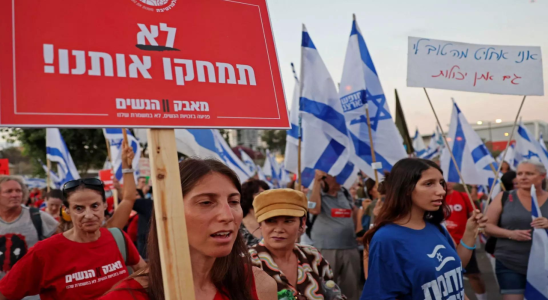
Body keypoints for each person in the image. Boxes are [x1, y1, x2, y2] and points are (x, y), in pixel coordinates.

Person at [100, 158, 277, 300]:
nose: (228, 215)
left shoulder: (257, 284)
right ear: (169, 210)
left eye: (233, 202)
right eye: (206, 202)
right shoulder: (126, 295)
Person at [0, 175, 147, 299]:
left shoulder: (118, 237)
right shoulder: (44, 252)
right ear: (66, 210)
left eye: (94, 206)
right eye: (79, 208)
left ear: (104, 206)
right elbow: (6, 292)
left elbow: (145, 275)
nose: (89, 215)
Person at [360, 158, 487, 300]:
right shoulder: (386, 238)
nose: (441, 191)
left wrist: (470, 232)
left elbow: (452, 270)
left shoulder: (436, 227)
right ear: (406, 188)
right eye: (429, 184)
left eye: (441, 183)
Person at [249, 188, 346, 300]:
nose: (279, 229)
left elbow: (333, 295)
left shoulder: (313, 256)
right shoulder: (248, 263)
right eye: (270, 221)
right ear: (260, 223)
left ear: (302, 223)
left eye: (288, 221)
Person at [485, 160, 548, 300]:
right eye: (520, 173)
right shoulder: (504, 197)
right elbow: (486, 226)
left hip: (544, 265)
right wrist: (510, 234)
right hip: (510, 262)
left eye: (529, 173)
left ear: (542, 176)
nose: (523, 177)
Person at [0, 176, 59, 300]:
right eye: (9, 191)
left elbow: (62, 247)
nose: (15, 195)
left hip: (32, 293)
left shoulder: (38, 217)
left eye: (18, 190)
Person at [308, 170, 360, 300]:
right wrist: (316, 182)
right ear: (326, 178)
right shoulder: (314, 193)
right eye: (336, 176)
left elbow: (352, 213)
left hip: (350, 246)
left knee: (352, 288)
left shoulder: (345, 192)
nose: (340, 178)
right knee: (326, 287)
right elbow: (313, 209)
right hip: (327, 248)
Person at [444, 182, 488, 300]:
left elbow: (473, 215)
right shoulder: (435, 198)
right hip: (443, 244)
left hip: (464, 242)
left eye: (449, 180)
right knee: (446, 278)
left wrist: (478, 221)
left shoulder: (463, 196)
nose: (446, 183)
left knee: (474, 275)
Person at [240, 180, 270, 247]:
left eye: (267, 193)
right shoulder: (237, 225)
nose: (265, 196)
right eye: (260, 193)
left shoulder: (272, 221)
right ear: (248, 196)